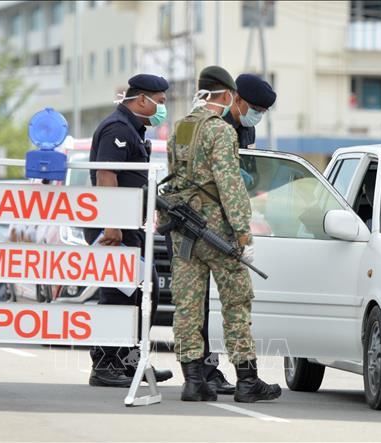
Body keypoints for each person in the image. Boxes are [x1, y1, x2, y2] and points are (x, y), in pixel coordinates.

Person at [164, 66, 281, 402]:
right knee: (236, 304)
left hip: (184, 232)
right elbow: (230, 187)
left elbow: (174, 178)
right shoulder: (221, 132)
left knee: (187, 307)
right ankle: (247, 382)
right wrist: (244, 236)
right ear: (229, 95)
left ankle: (194, 381)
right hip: (218, 233)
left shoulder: (182, 127)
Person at [85, 73, 173, 387]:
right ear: (141, 99)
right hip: (113, 228)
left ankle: (127, 362)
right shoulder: (117, 128)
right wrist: (112, 225)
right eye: (160, 102)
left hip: (128, 224)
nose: (163, 108)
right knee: (118, 294)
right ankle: (106, 366)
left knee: (140, 291)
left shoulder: (132, 129)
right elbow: (107, 175)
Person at [197, 73, 278, 395]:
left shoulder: (246, 127)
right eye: (254, 107)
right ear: (236, 99)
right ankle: (209, 372)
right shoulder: (214, 125)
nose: (257, 114)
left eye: (263, 110)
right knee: (201, 304)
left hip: (230, 221)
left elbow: (249, 175)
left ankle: (215, 374)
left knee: (233, 304)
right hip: (207, 223)